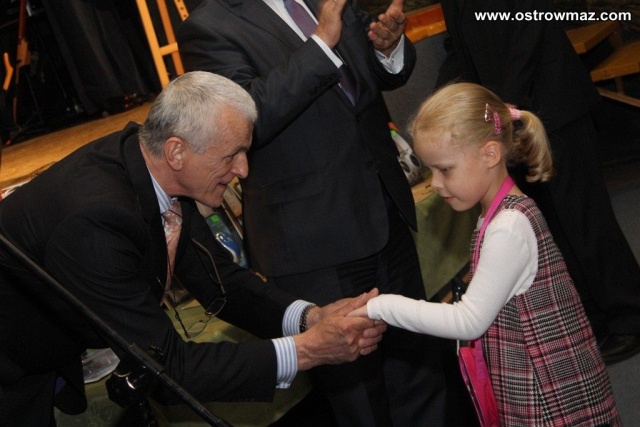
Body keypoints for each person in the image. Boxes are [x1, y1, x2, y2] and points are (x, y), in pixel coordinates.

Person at [0, 71, 388, 426]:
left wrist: (309, 318)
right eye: (231, 155)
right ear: (177, 151)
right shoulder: (96, 221)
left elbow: (221, 282)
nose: (243, 170)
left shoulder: (153, 167)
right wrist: (307, 351)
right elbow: (169, 369)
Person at [176, 0, 447, 425]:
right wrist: (321, 42)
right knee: (362, 404)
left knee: (422, 378)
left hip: (384, 214)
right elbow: (243, 119)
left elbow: (371, 77)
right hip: (313, 243)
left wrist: (389, 48)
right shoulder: (210, 26)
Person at [350, 82, 622, 426]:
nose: (435, 183)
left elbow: (468, 320)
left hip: (549, 396)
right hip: (533, 379)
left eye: (445, 169)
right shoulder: (497, 214)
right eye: (431, 170)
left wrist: (382, 306)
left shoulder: (508, 226)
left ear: (490, 155)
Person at [436, 0, 640, 364]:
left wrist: (503, 104)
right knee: (553, 230)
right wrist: (443, 104)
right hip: (508, 121)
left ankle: (631, 315)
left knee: (586, 222)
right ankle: (593, 318)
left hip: (552, 107)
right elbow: (461, 48)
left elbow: (531, 25)